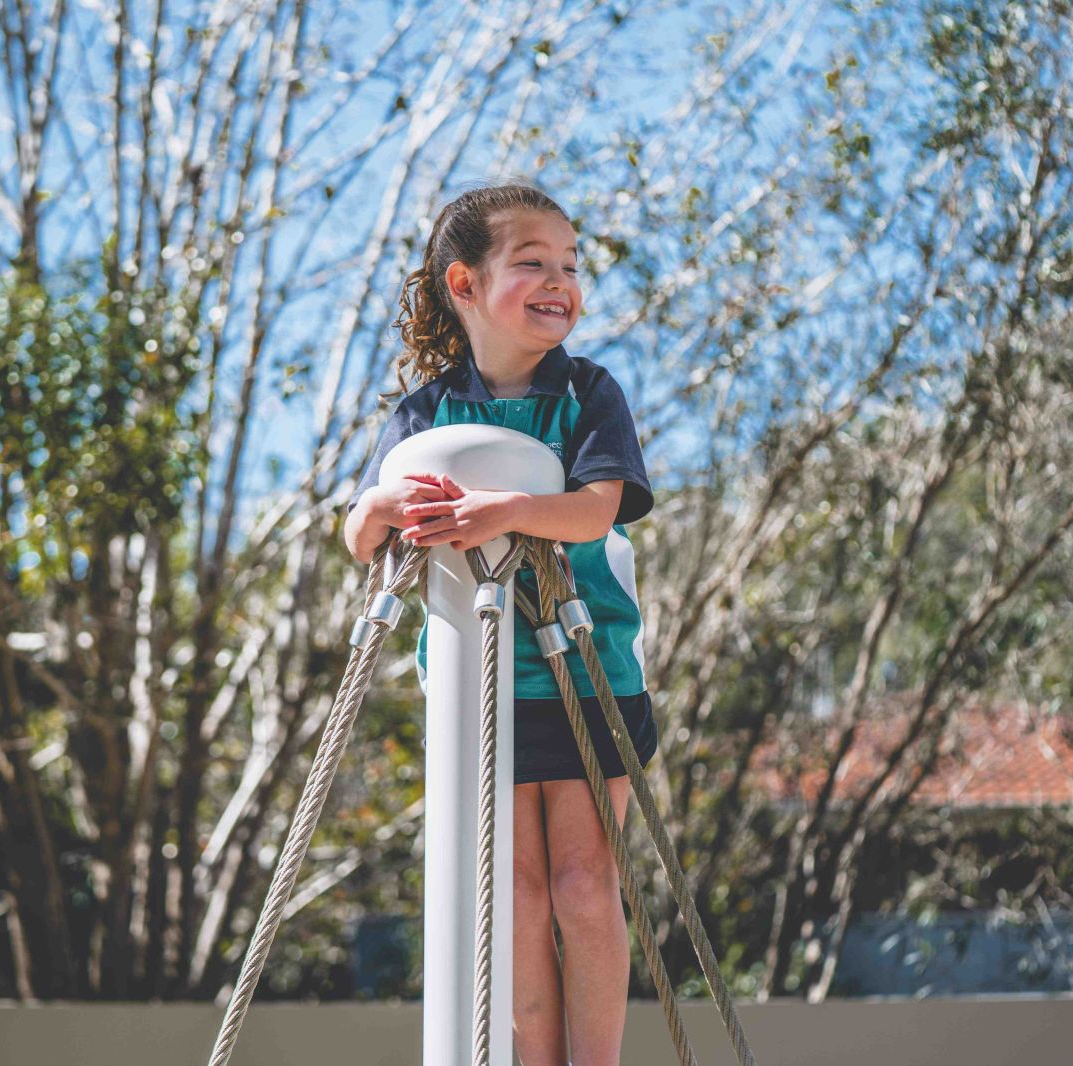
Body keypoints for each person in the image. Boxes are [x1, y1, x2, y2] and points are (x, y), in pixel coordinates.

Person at [342, 181, 658, 1066]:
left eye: (569, 264)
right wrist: (378, 505)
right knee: (514, 899)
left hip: (587, 675)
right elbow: (361, 535)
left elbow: (595, 511)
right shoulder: (424, 414)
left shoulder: (589, 394)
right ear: (465, 285)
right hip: (481, 695)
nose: (560, 280)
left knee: (583, 887)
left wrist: (504, 509)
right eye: (532, 263)